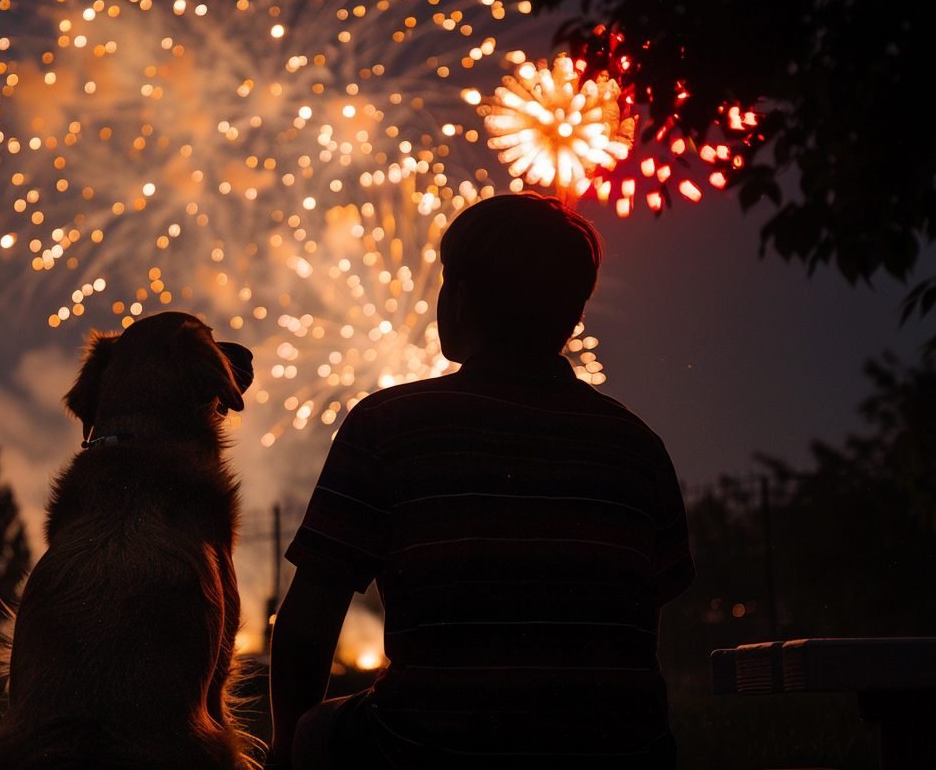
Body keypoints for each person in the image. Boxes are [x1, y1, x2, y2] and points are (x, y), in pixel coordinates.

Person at [267, 192, 695, 769]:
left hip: (430, 747)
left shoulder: (387, 426)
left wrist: (284, 748)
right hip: (623, 754)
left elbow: (307, 622)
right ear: (573, 314)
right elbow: (641, 624)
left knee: (314, 733)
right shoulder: (637, 447)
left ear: (462, 297)